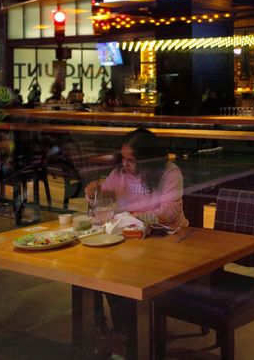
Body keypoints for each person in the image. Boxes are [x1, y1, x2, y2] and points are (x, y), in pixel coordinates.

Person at [84, 128, 187, 357]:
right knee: (97, 268)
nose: (126, 164)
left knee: (120, 274)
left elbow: (169, 213)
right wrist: (94, 193)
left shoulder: (169, 172)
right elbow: (105, 200)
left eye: (132, 160)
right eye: (123, 158)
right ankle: (118, 331)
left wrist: (132, 215)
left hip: (166, 238)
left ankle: (130, 334)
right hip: (131, 241)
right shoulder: (120, 172)